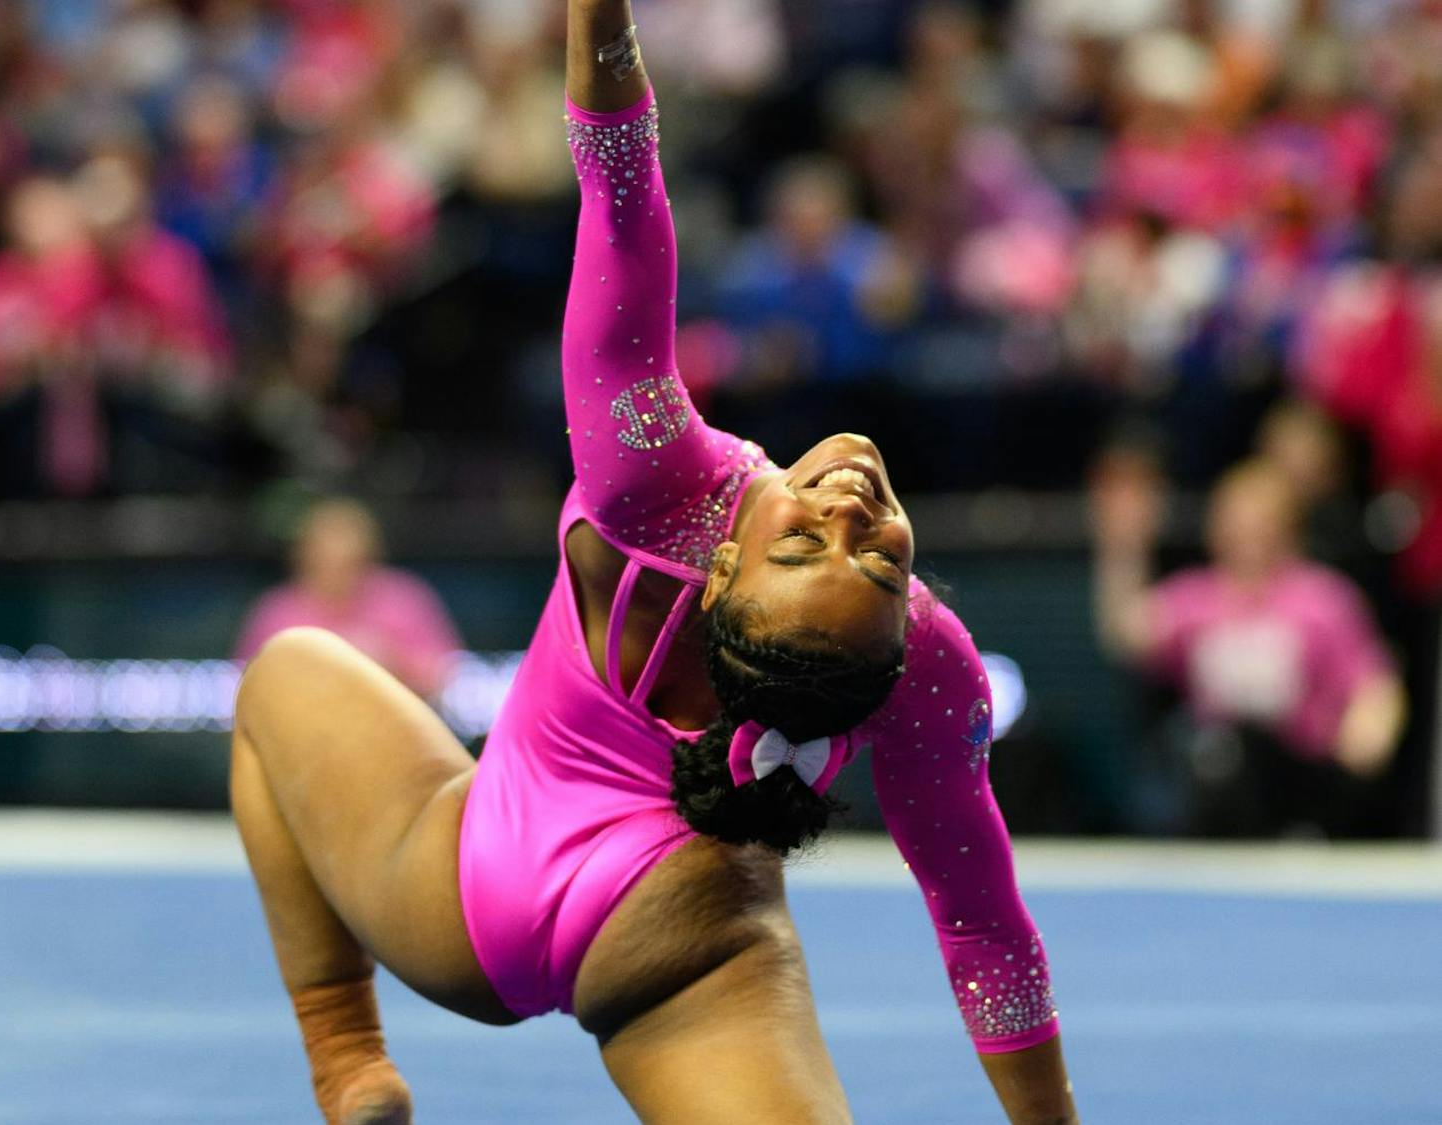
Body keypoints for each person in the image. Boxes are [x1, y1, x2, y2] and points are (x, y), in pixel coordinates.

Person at [230, 5, 1076, 1123]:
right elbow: (978, 916)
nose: (852, 511)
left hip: (475, 906)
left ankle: (344, 1051)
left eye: (834, 549)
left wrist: (601, 18)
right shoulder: (930, 663)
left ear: (723, 570)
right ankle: (346, 1058)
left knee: (285, 672)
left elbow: (621, 195)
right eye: (860, 552)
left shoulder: (650, 483)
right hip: (692, 951)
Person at [1091, 453, 1406, 836]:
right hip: (1216, 778)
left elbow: (1374, 683)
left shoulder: (1323, 598)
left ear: (1287, 528)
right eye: (1236, 524)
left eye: (1261, 524)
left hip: (1301, 778)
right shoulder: (1197, 598)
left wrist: (1367, 733)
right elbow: (1127, 634)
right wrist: (1124, 548)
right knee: (1212, 757)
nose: (1248, 537)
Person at [235, 497, 463, 701]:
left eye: (348, 564)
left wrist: (392, 664)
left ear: (369, 557)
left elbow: (444, 674)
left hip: (393, 736)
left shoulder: (404, 598)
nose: (336, 575)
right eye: (324, 562)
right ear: (303, 558)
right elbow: (248, 689)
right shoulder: (277, 611)